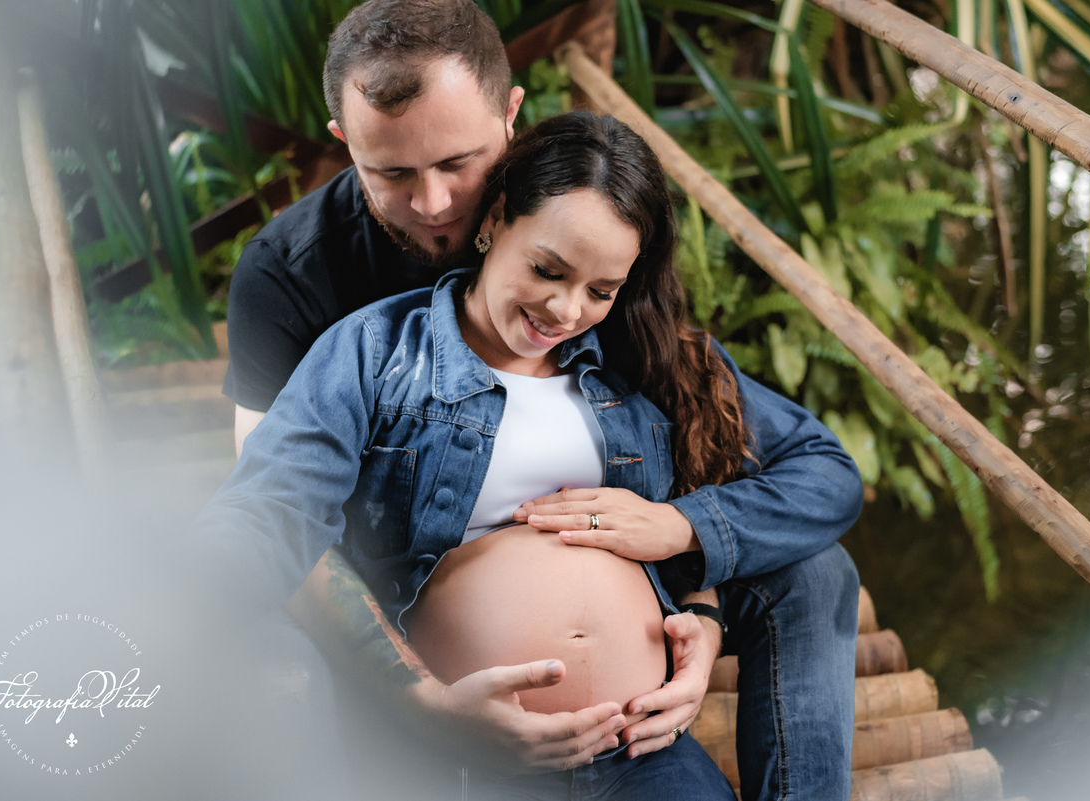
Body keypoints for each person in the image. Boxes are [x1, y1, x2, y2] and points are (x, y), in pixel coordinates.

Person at [222, 1, 864, 798]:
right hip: (432, 674)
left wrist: (695, 593)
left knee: (817, 569)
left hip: (633, 733)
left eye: (458, 162)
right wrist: (421, 701)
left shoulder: (598, 273)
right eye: (392, 173)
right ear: (344, 141)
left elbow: (714, 458)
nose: (434, 203)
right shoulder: (329, 311)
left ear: (510, 120)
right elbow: (279, 510)